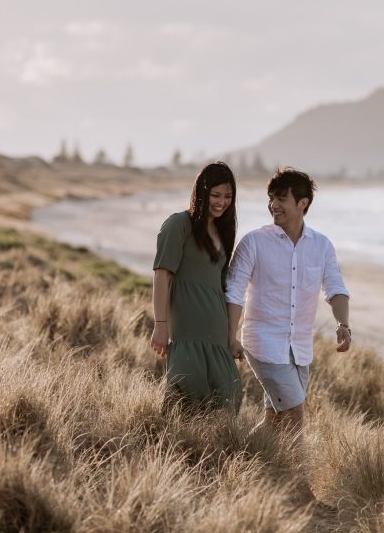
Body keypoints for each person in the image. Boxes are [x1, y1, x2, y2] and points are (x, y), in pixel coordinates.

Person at [225, 167, 351, 456]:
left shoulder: (321, 245)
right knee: (295, 415)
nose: (273, 205)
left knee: (275, 421)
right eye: (271, 198)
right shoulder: (254, 242)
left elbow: (335, 288)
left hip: (300, 349)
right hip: (263, 343)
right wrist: (230, 336)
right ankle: (302, 492)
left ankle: (236, 461)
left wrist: (343, 324)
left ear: (302, 203)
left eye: (281, 198)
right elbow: (234, 291)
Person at [150, 161, 242, 411]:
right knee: (184, 397)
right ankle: (176, 447)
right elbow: (162, 275)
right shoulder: (179, 224)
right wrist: (160, 325)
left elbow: (223, 286)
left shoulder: (223, 232)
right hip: (187, 333)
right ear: (201, 193)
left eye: (228, 196)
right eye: (215, 195)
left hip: (217, 333)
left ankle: (215, 448)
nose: (221, 202)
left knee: (228, 396)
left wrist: (231, 336)